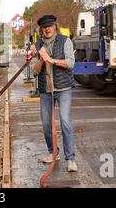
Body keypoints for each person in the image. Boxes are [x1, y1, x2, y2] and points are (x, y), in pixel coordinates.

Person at [32, 15, 77, 172]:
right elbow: (34, 70)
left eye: (50, 26)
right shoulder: (38, 44)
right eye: (44, 27)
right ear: (41, 30)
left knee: (65, 121)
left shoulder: (65, 41)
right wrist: (41, 59)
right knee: (46, 124)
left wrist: (51, 60)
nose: (47, 29)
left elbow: (70, 63)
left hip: (63, 88)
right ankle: (53, 152)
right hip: (45, 90)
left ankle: (70, 159)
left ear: (55, 27)